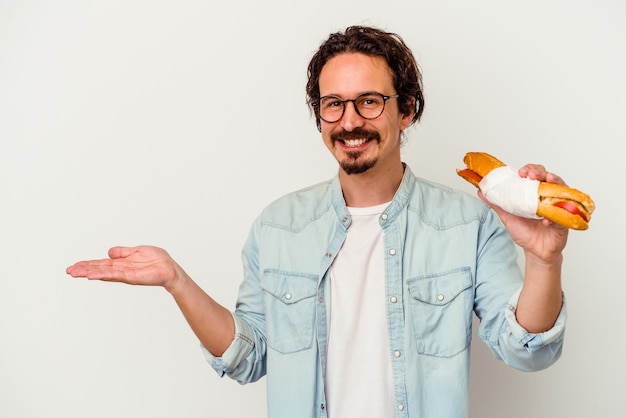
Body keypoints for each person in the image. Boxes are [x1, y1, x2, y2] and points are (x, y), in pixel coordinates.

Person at [66, 25, 568, 418]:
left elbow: (526, 350)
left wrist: (544, 260)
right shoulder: (278, 226)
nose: (350, 121)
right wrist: (176, 280)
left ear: (407, 110)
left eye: (370, 101)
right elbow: (248, 357)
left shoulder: (468, 221)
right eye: (333, 105)